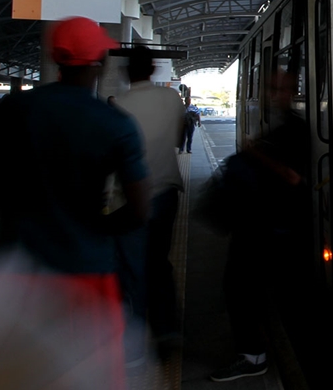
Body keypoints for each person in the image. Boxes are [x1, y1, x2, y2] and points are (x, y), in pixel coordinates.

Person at [0, 16, 150, 389]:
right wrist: (98, 229)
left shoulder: (13, 109)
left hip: (18, 269)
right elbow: (139, 210)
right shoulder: (115, 123)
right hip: (88, 270)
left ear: (58, 60)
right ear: (98, 63)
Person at [208, 71, 309, 382]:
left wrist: (255, 153)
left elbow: (293, 177)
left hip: (272, 226)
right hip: (264, 223)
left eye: (279, 88)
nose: (273, 94)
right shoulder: (282, 123)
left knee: (239, 287)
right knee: (254, 289)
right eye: (270, 88)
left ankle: (254, 357)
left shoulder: (294, 128)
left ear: (292, 91)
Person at [114, 46, 186, 365]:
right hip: (167, 192)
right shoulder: (172, 99)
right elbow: (177, 138)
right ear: (154, 69)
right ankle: (168, 332)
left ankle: (135, 345)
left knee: (133, 268)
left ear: (126, 72)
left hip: (129, 197)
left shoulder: (117, 104)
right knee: (160, 263)